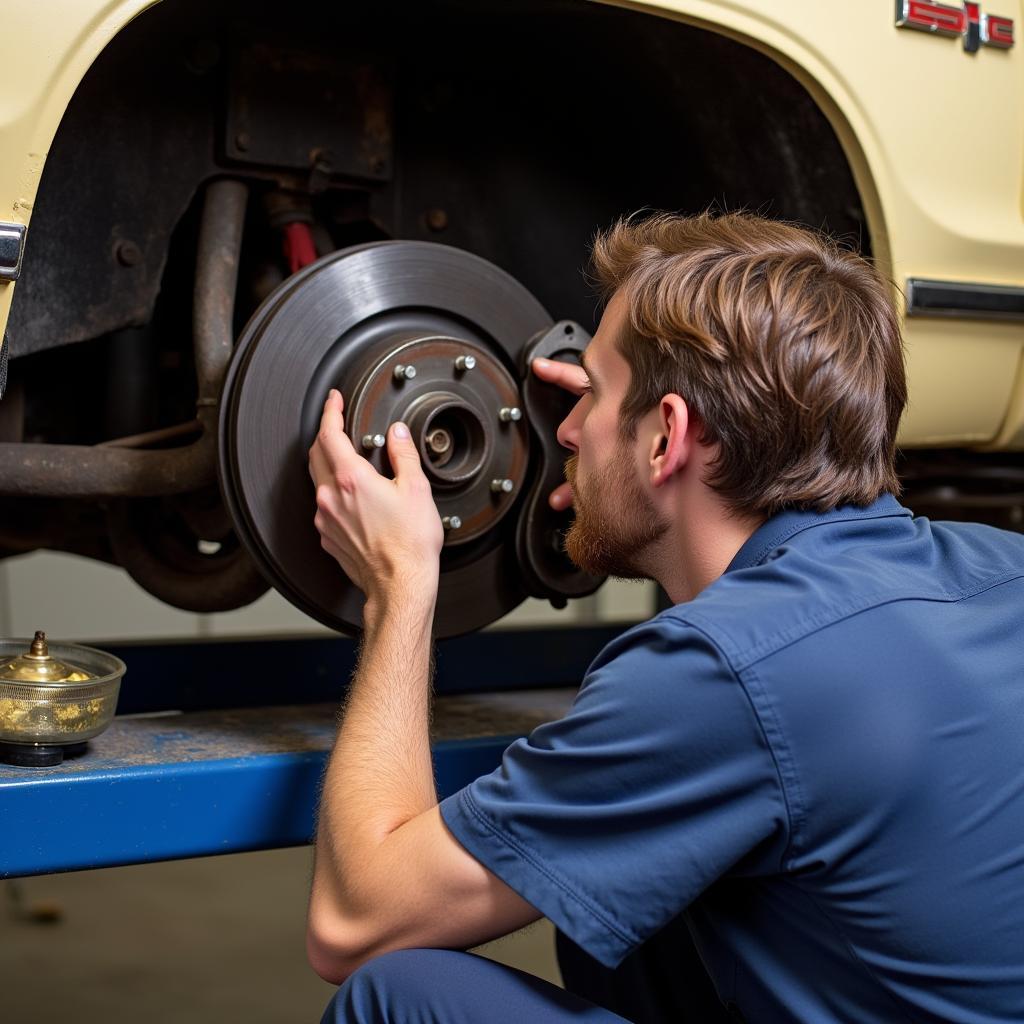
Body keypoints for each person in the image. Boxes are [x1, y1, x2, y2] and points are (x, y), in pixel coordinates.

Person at [305, 212, 1024, 1023]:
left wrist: (401, 586)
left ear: (668, 437)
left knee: (401, 999)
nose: (566, 429)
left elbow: (351, 924)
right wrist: (619, 427)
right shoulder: (1005, 569)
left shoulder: (725, 670)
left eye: (595, 395)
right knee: (619, 900)